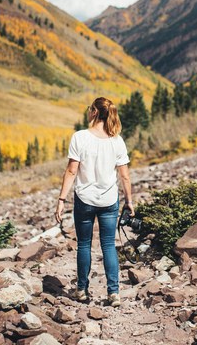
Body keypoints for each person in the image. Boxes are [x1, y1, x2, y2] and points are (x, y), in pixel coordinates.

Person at [55, 97, 134, 307]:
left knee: (84, 244)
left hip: (84, 199)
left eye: (90, 109)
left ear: (94, 113)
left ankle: (81, 290)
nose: (89, 111)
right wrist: (129, 202)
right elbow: (125, 176)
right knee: (109, 245)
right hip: (109, 200)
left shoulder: (80, 137)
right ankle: (114, 293)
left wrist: (61, 200)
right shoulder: (117, 140)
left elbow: (72, 170)